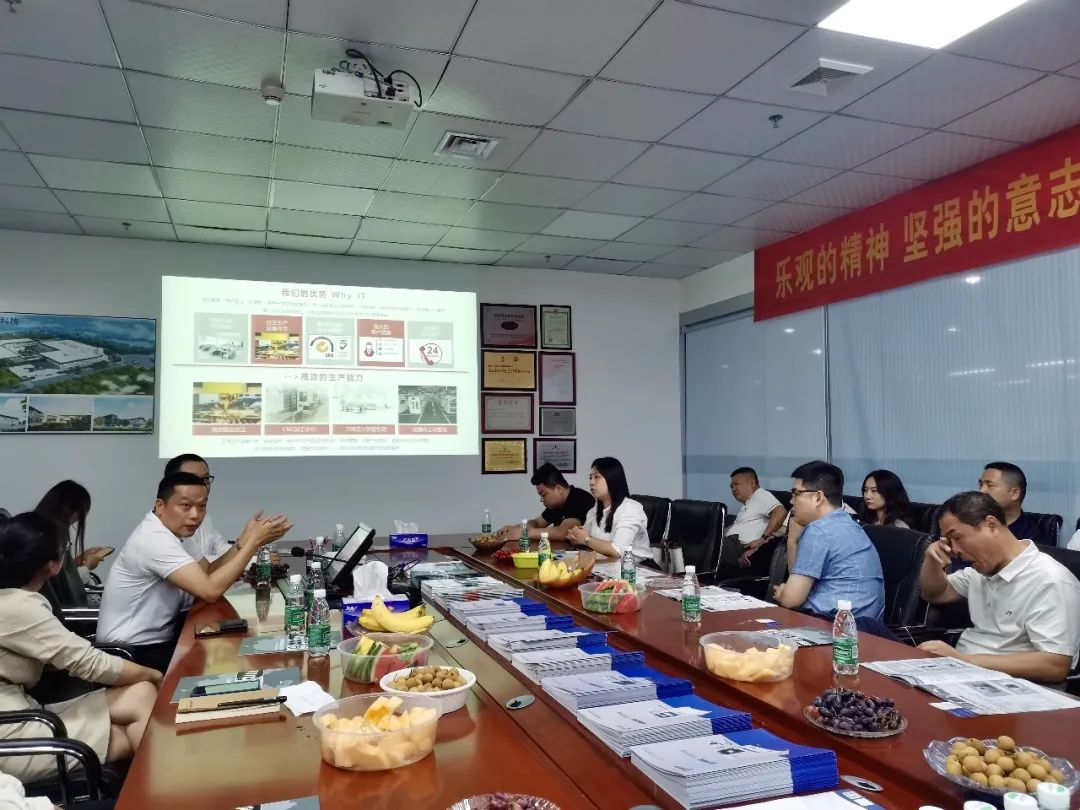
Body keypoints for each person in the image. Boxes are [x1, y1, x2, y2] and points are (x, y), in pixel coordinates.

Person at [0, 512, 161, 784]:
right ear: (53, 564)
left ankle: (163, 791)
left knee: (142, 694)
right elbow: (90, 663)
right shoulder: (17, 606)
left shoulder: (11, 600)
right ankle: (163, 792)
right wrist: (155, 675)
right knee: (131, 732)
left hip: (27, 714)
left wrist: (149, 679)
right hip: (13, 736)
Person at [96, 473, 291, 671]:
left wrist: (243, 540)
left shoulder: (175, 531)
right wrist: (254, 543)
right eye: (186, 506)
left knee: (235, 648)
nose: (195, 515)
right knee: (229, 662)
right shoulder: (153, 540)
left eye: (202, 506)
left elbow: (208, 571)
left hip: (160, 638)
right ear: (160, 506)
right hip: (131, 651)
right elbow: (209, 591)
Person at [918, 491, 1080, 684]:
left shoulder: (1050, 580)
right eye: (948, 542)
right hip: (964, 673)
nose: (955, 550)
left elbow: (1055, 665)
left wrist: (963, 660)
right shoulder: (981, 570)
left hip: (1012, 686)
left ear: (991, 525)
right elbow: (935, 593)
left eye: (958, 538)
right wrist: (932, 559)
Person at [773, 461, 885, 623]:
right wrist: (792, 541)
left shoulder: (819, 530)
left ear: (818, 497)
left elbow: (791, 599)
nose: (791, 501)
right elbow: (797, 587)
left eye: (796, 493)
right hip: (862, 627)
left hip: (835, 627)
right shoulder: (847, 522)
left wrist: (784, 593)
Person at [566, 457, 649, 561]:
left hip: (636, 567)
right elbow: (586, 538)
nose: (591, 482)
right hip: (606, 564)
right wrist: (576, 536)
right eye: (590, 477)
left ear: (612, 479)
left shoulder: (631, 509)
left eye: (597, 477)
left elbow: (618, 551)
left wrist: (586, 539)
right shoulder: (594, 511)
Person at [33, 481, 110, 585]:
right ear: (71, 511)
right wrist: (86, 566)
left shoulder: (33, 529)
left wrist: (76, 561)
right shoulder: (50, 538)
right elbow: (62, 587)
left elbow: (57, 575)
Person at [496, 463, 594, 543]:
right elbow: (537, 523)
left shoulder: (580, 498)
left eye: (543, 494)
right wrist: (512, 529)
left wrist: (524, 533)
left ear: (558, 489)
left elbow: (563, 532)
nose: (542, 499)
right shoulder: (557, 504)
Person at [720, 467, 785, 569]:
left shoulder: (760, 494)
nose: (733, 489)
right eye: (731, 486)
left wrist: (762, 539)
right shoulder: (748, 504)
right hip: (730, 544)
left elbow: (780, 512)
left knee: (702, 546)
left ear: (753, 483)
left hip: (740, 546)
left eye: (736, 484)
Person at [978, 462, 1041, 543]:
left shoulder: (1030, 539)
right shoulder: (972, 524)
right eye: (981, 485)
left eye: (990, 485)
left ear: (1014, 493)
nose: (981, 491)